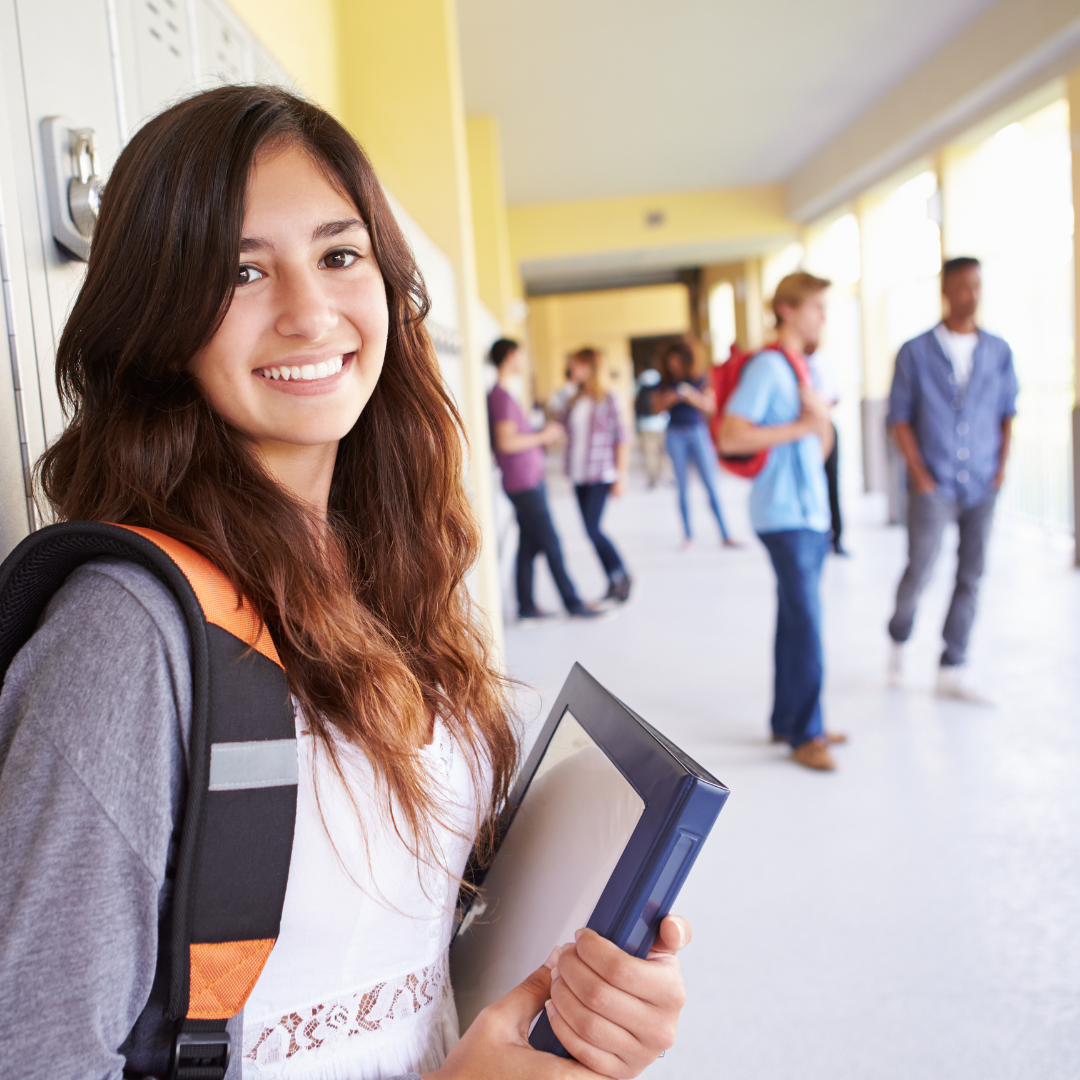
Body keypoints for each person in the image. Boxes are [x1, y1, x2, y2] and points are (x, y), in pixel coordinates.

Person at [0, 85, 691, 1080]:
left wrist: (596, 1002)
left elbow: (408, 940)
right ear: (156, 322)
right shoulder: (126, 639)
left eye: (338, 254)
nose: (310, 311)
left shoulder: (388, 575)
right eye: (240, 272)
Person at [719, 272, 846, 771]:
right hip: (784, 515)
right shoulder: (771, 367)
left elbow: (819, 448)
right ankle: (806, 734)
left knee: (796, 619)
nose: (823, 319)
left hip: (809, 513)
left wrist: (821, 422)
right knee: (808, 622)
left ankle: (789, 718)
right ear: (789, 310)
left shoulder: (802, 369)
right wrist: (801, 424)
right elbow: (731, 435)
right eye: (817, 308)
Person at [886, 256, 1018, 703]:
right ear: (946, 290)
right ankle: (898, 636)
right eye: (963, 286)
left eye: (978, 286)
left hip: (982, 482)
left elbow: (1007, 414)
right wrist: (920, 476)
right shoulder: (915, 352)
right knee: (920, 567)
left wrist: (1000, 469)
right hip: (933, 482)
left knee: (971, 574)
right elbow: (898, 419)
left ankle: (952, 665)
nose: (972, 295)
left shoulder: (998, 351)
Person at [487, 339, 605, 622]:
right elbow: (506, 442)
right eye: (522, 355)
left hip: (527, 478)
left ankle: (526, 606)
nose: (525, 361)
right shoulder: (501, 396)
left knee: (529, 544)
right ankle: (573, 603)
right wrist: (542, 436)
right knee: (551, 542)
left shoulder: (505, 394)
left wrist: (540, 434)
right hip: (523, 482)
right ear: (511, 356)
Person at [554, 348, 632, 604]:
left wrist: (621, 476)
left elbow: (622, 438)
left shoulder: (610, 399)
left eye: (574, 365)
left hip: (600, 473)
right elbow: (557, 426)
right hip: (579, 474)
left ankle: (621, 574)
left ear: (589, 367)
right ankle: (614, 579)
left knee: (593, 528)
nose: (570, 370)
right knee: (589, 530)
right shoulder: (573, 400)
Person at [651, 341, 737, 548]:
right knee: (682, 487)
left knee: (711, 485)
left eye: (678, 361)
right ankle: (688, 536)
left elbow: (710, 407)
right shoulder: (663, 384)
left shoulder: (699, 380)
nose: (675, 366)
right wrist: (672, 398)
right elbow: (655, 410)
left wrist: (690, 397)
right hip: (674, 434)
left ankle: (726, 534)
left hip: (698, 432)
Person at [806, 349, 847, 555]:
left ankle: (837, 538)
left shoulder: (824, 361)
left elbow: (835, 396)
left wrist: (819, 404)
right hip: (806, 432)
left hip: (826, 427)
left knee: (832, 484)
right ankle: (816, 536)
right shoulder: (792, 365)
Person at [634, 368, 669, 487]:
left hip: (648, 426)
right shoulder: (657, 391)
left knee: (652, 454)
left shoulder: (642, 393)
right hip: (658, 425)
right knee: (661, 453)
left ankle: (655, 478)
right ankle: (663, 476)